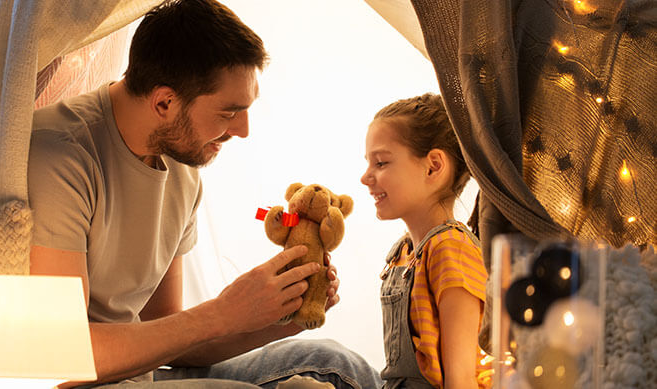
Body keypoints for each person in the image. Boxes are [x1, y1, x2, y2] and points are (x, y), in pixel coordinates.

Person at [27, 0, 381, 388]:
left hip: (141, 373)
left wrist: (279, 317)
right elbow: (59, 353)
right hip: (82, 381)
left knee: (332, 361)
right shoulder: (60, 156)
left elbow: (168, 332)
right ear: (164, 101)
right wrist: (222, 312)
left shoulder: (181, 166)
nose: (243, 131)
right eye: (229, 113)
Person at [360, 94, 491, 389]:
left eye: (380, 162)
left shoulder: (451, 250)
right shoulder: (403, 252)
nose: (365, 177)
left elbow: (461, 379)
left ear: (433, 166)